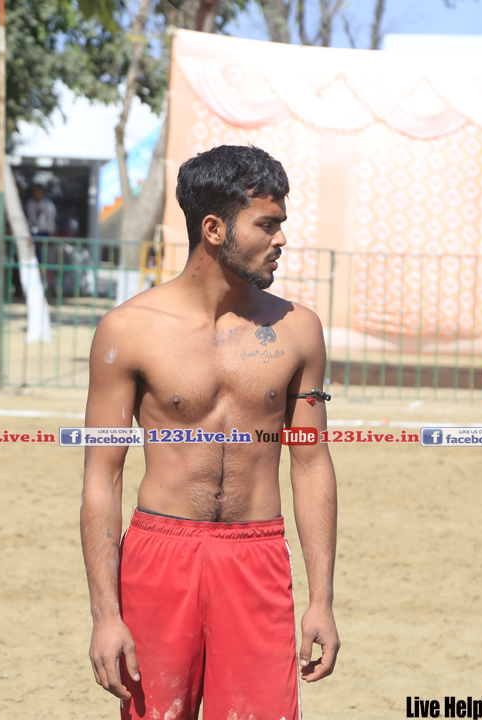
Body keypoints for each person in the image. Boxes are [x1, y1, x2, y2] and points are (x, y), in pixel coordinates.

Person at [80, 145, 340, 720]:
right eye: (266, 225)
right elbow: (102, 476)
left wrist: (321, 598)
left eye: (281, 224)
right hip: (158, 556)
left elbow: (311, 462)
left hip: (256, 556)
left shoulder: (298, 330)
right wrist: (104, 613)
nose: (281, 239)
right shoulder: (128, 330)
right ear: (214, 229)